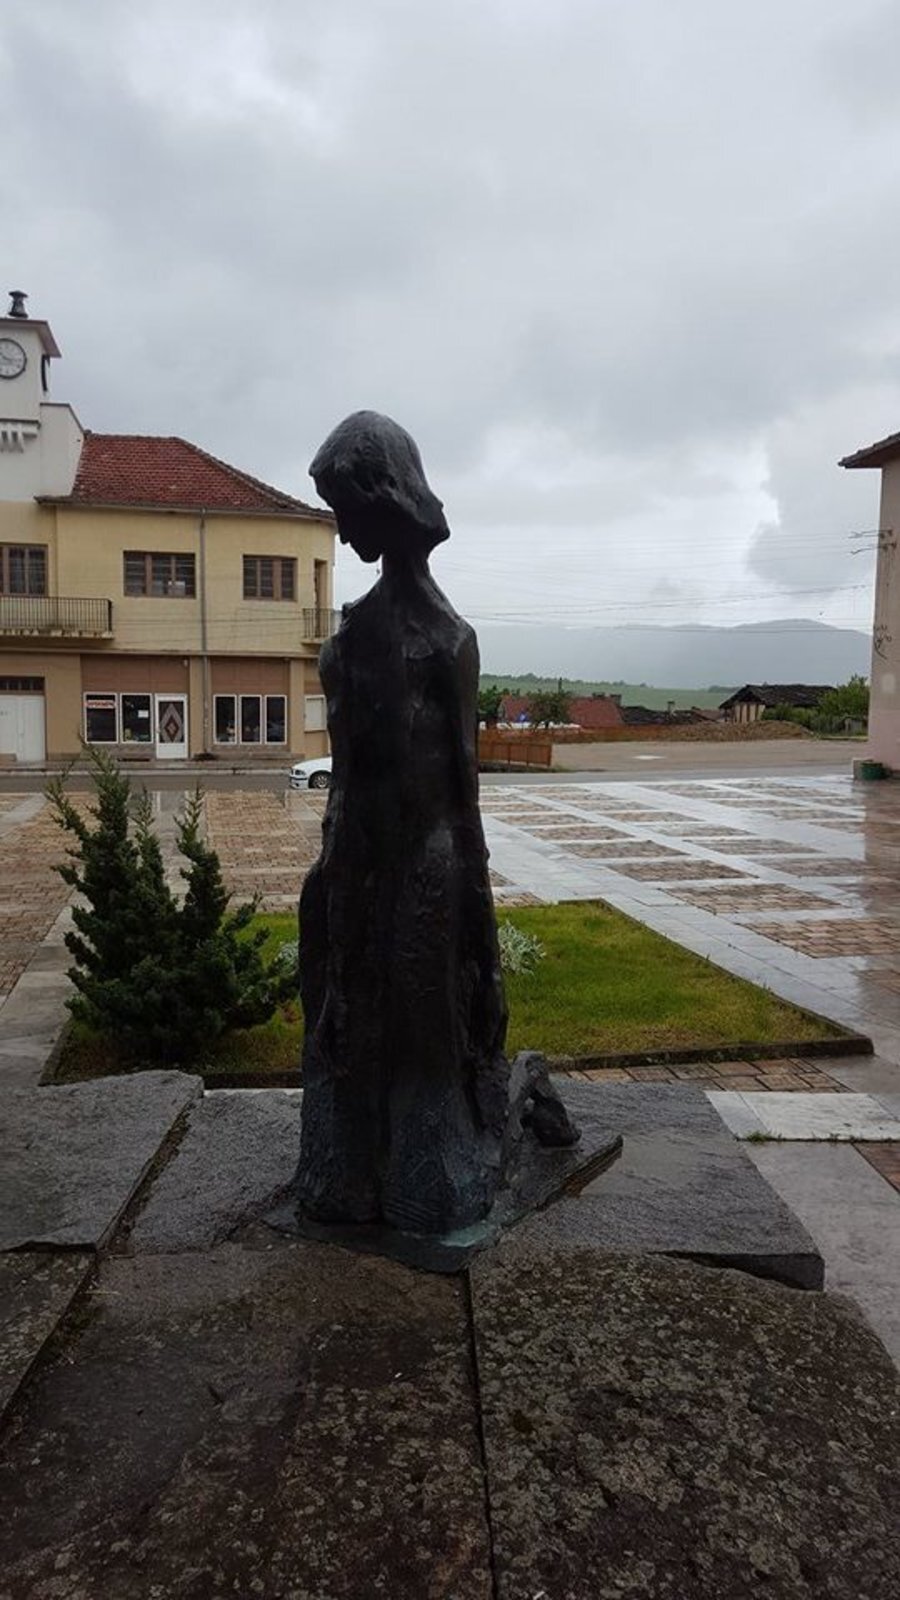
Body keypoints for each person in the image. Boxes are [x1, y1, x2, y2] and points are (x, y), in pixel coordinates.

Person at [296, 412, 510, 1233]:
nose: (341, 528)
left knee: (425, 1050)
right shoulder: (346, 643)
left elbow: (464, 798)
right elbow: (347, 783)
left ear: (388, 500)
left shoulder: (448, 642)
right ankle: (346, 1171)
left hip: (428, 868)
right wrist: (333, 891)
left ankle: (438, 1162)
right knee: (341, 1033)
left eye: (346, 508)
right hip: (353, 864)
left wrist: (481, 943)